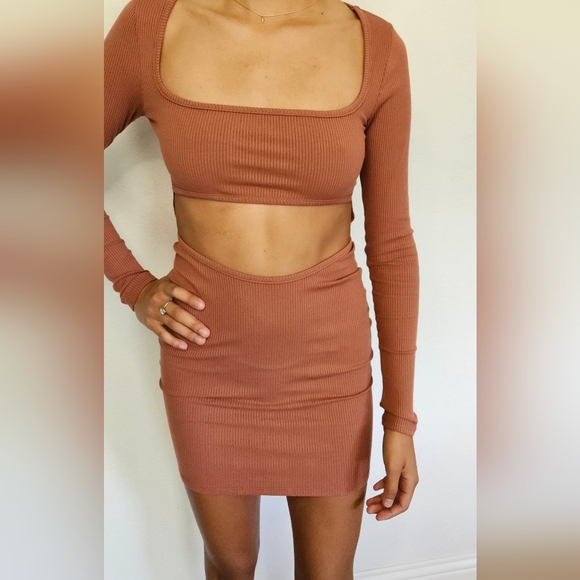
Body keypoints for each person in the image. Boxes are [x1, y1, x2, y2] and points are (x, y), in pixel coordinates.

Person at [105, 0, 420, 578]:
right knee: (230, 565)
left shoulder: (376, 46)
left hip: (327, 364)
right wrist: (133, 284)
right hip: (206, 357)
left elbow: (392, 244)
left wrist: (400, 418)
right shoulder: (153, 26)